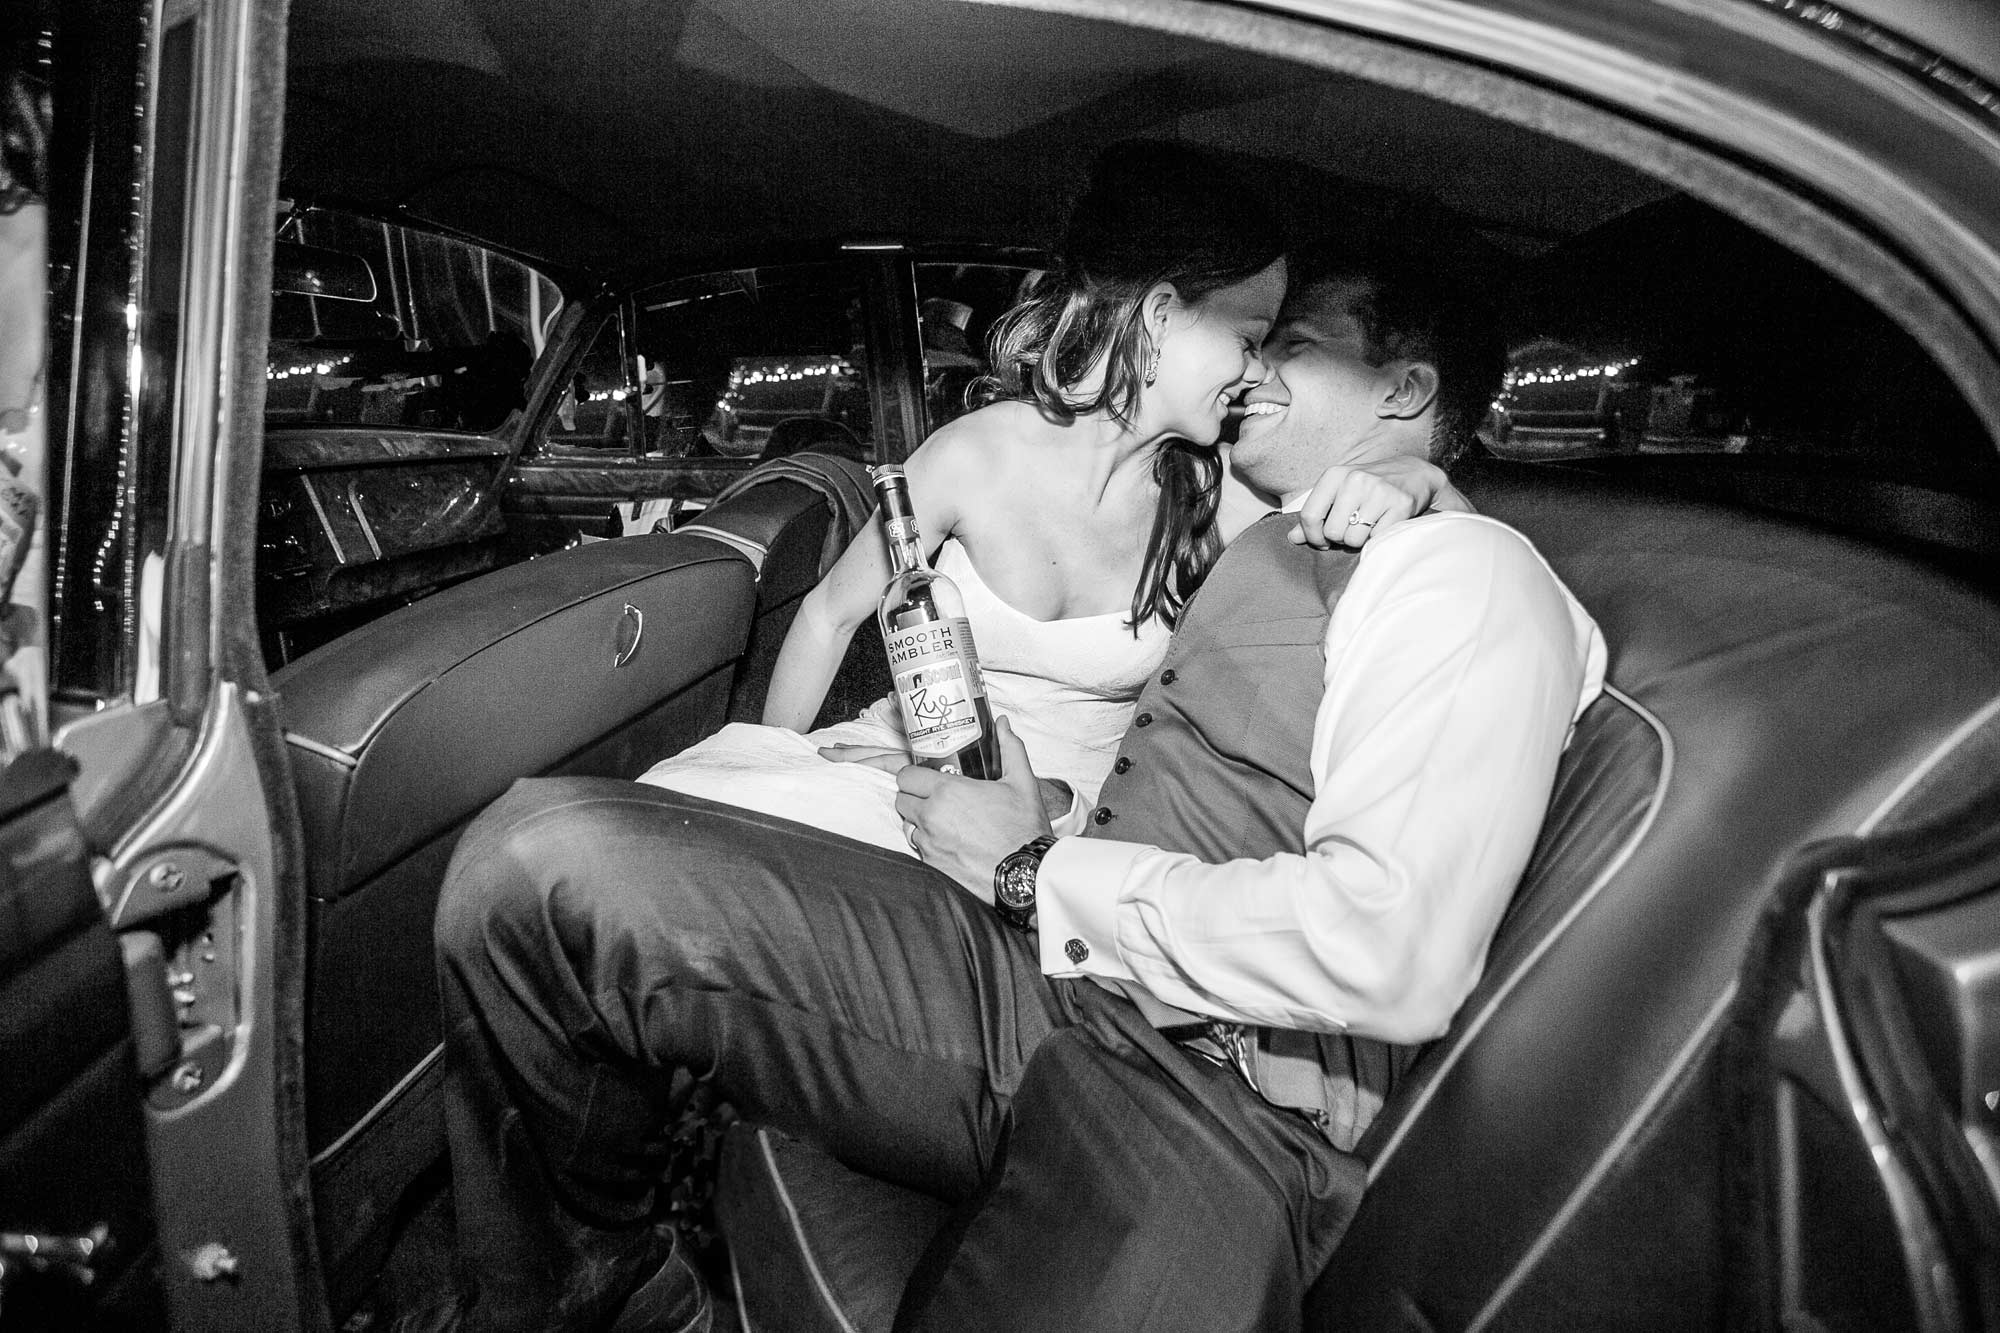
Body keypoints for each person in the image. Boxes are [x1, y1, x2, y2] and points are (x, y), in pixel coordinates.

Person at [413, 223, 1607, 1333]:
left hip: (1206, 1088)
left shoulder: (1465, 575)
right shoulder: (1274, 524)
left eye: (1289, 344)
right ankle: (610, 1294)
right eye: (1252, 339)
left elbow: (1387, 947)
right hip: (1036, 977)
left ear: (1401, 390)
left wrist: (1036, 870)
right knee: (534, 864)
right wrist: (1037, 844)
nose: (1252, 369)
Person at [636, 142, 1455, 854]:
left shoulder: (1217, 494)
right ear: (1161, 315)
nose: (1257, 372)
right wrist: (777, 760)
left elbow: (1374, 523)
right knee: (681, 827)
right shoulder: (975, 454)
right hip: (898, 766)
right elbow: (826, 616)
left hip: (1062, 820)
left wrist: (1418, 478)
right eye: (1248, 340)